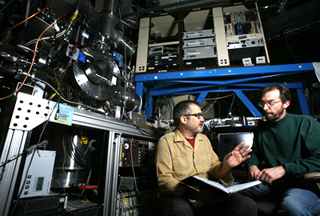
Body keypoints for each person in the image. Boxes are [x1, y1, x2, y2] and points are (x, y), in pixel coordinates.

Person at [155, 100, 257, 216]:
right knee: (180, 210)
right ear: (184, 119)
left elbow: (213, 166)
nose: (202, 119)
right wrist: (192, 193)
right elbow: (164, 179)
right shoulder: (166, 141)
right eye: (198, 116)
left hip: (205, 196)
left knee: (246, 205)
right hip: (181, 195)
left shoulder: (204, 140)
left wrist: (226, 165)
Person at [241, 84, 320, 215]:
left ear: (286, 104)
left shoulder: (307, 123)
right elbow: (254, 152)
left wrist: (284, 169)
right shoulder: (261, 129)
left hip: (304, 185)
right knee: (227, 192)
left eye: (271, 103)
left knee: (292, 205)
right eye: (262, 103)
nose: (265, 108)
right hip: (273, 185)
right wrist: (252, 166)